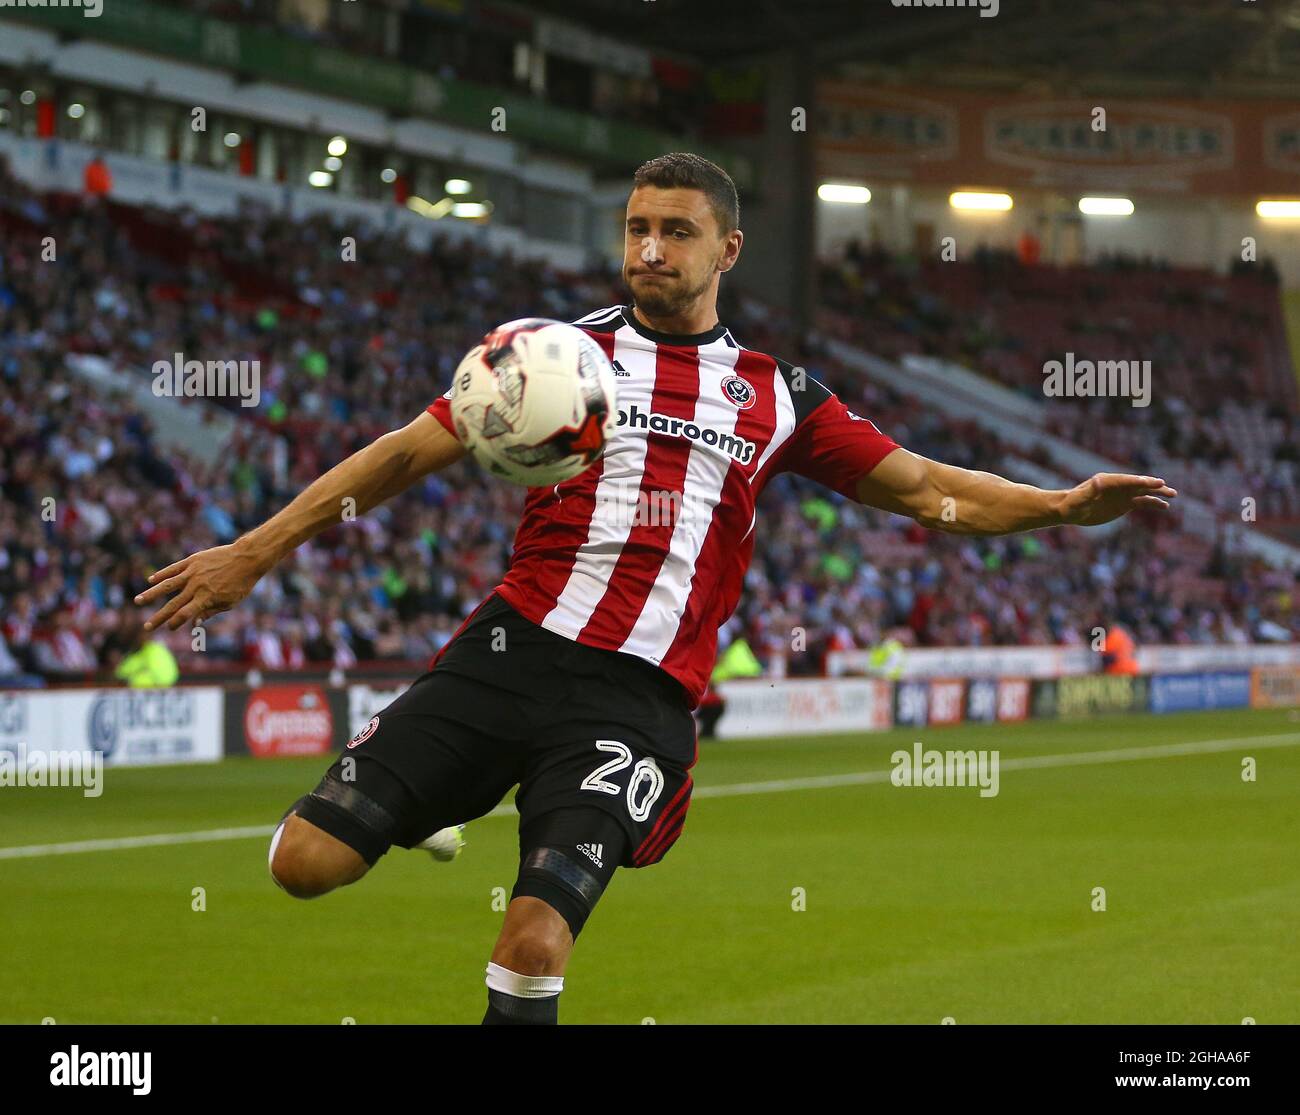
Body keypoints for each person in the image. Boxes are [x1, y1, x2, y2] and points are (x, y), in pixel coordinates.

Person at [134, 152, 1178, 1025]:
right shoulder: (552, 352)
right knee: (302, 863)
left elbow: (924, 488)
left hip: (633, 700)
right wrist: (254, 551)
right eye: (635, 227)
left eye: (675, 231)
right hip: (509, 652)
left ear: (726, 249)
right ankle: (430, 797)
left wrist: (1054, 503)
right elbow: (401, 456)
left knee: (535, 936)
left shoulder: (775, 394)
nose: (647, 249)